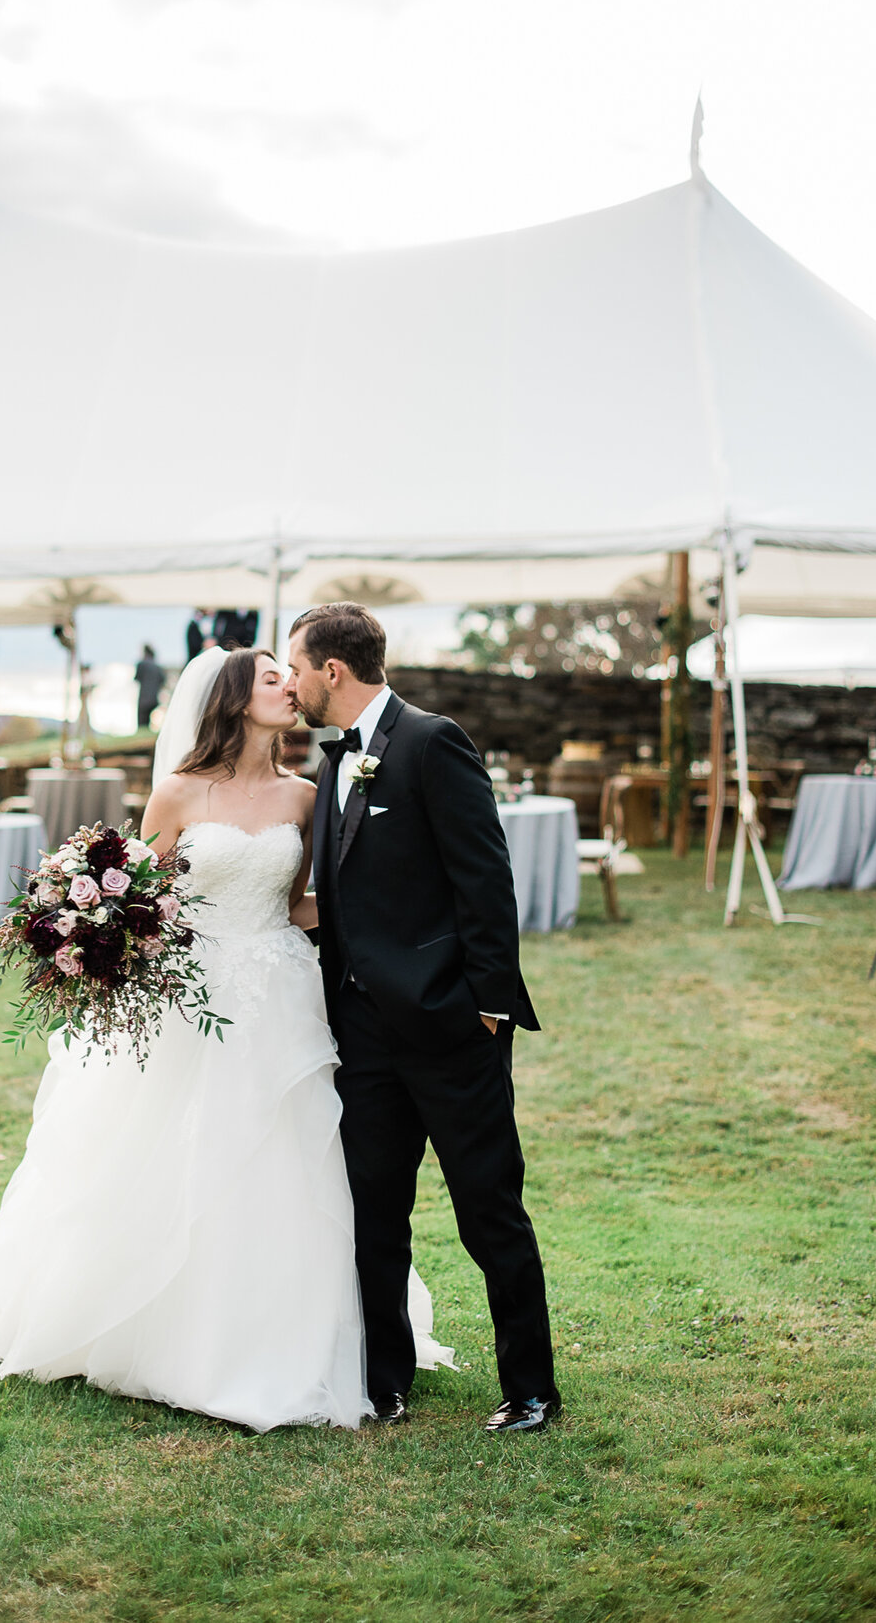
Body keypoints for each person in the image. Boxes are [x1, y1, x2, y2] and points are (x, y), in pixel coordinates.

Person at [0, 647, 451, 1429]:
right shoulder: (178, 791)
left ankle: (293, 1333)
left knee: (297, 1153)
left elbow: (304, 904)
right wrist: (93, 927)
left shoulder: (308, 797)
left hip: (282, 995)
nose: (291, 686)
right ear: (232, 699)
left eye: (292, 674)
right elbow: (146, 900)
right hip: (194, 1000)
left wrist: (394, 924)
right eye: (272, 677)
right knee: (183, 1152)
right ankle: (159, 1324)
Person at [287, 600, 561, 1434]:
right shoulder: (335, 763)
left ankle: (532, 1388)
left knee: (488, 1208)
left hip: (450, 1027)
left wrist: (486, 1006)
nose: (292, 683)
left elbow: (487, 879)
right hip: (363, 1036)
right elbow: (344, 895)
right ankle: (384, 1380)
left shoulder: (431, 740)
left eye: (296, 667)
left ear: (332, 670)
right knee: (374, 1212)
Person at [133, 645, 167, 730]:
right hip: (154, 698)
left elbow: (137, 678)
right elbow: (162, 680)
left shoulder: (142, 664)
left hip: (144, 698)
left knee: (142, 724)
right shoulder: (157, 667)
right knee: (149, 723)